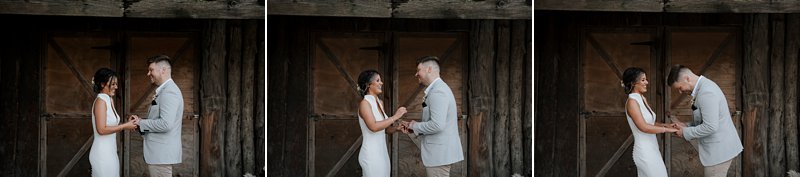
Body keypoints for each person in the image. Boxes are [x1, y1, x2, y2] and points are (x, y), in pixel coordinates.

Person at [667, 64, 743, 177]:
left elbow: (710, 126)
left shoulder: (706, 92)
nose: (680, 92)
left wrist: (684, 132)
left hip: (718, 153)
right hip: (718, 150)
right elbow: (704, 120)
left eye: (679, 88)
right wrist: (686, 125)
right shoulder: (703, 88)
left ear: (687, 79)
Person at [399, 56, 463, 177]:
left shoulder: (438, 91)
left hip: (439, 155)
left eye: (418, 70)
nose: (416, 74)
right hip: (439, 154)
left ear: (429, 69)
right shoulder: (436, 89)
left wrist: (415, 125)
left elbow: (437, 125)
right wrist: (413, 128)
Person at [129, 55, 184, 177]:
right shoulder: (164, 91)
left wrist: (141, 123)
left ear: (163, 70)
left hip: (161, 156)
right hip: (159, 155)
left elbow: (165, 124)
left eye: (151, 70)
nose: (148, 73)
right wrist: (141, 123)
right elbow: (159, 120)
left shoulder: (170, 92)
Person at [621, 67, 677, 177]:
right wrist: (667, 130)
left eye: (646, 79)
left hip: (653, 148)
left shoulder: (642, 98)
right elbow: (644, 127)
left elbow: (650, 123)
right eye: (643, 80)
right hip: (644, 151)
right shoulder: (632, 102)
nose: (647, 82)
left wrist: (666, 125)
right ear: (633, 83)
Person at [356, 69, 407, 177]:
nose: (381, 83)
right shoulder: (364, 104)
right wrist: (395, 117)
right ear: (369, 84)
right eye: (378, 80)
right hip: (370, 154)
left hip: (382, 153)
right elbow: (373, 127)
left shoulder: (380, 103)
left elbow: (385, 129)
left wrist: (396, 128)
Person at [89, 68, 139, 177]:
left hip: (111, 152)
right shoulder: (100, 101)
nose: (116, 87)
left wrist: (128, 123)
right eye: (113, 84)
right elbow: (101, 130)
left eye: (116, 84)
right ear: (102, 84)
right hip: (101, 153)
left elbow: (112, 125)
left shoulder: (109, 99)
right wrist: (125, 126)